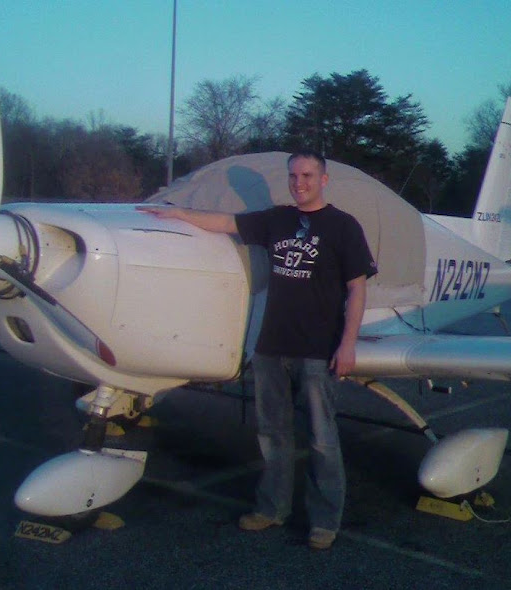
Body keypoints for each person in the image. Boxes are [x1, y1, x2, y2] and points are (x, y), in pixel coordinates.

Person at [138, 151, 377, 550]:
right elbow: (225, 223)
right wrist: (179, 214)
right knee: (272, 434)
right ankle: (271, 508)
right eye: (293, 176)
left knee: (322, 439)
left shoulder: (343, 226)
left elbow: (357, 287)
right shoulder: (276, 219)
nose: (299, 182)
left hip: (318, 349)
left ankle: (324, 521)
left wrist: (348, 343)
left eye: (307, 175)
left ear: (323, 179)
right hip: (271, 346)